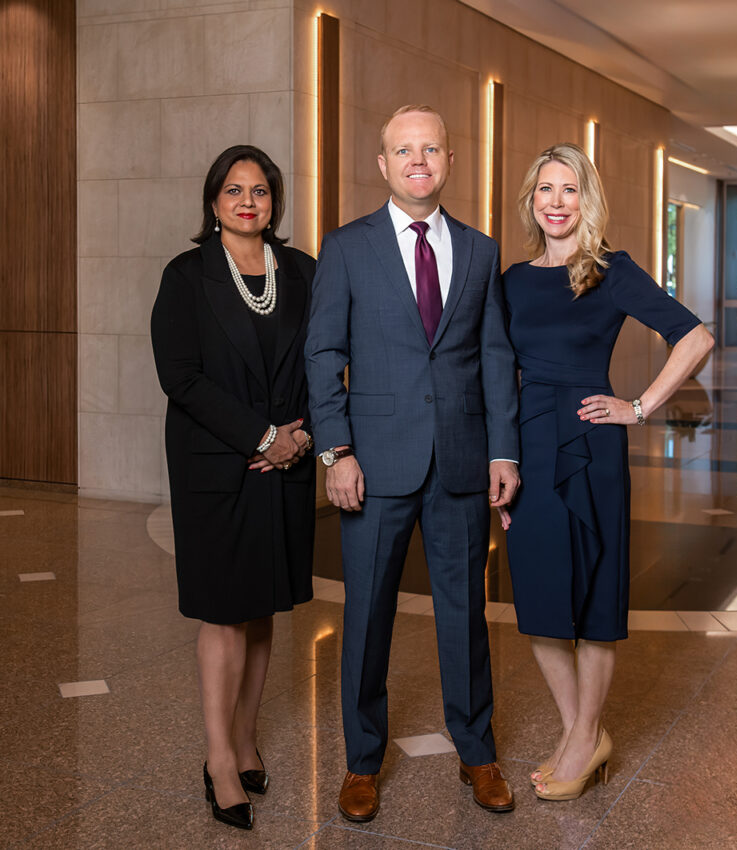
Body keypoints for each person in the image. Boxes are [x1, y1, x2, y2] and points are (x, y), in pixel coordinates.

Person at [305, 105, 521, 822]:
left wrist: (501, 449)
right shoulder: (346, 248)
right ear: (383, 164)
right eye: (404, 150)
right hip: (373, 466)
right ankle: (362, 762)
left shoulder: (482, 251)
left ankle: (477, 752)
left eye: (431, 148)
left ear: (450, 160)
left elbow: (494, 357)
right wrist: (336, 451)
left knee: (466, 616)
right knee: (365, 618)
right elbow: (324, 354)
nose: (418, 161)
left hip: (460, 464)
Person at [499, 143, 713, 801]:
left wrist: (641, 406)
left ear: (586, 200)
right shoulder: (511, 279)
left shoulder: (608, 270)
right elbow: (496, 374)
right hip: (529, 446)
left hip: (592, 447)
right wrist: (499, 459)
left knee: (592, 600)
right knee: (536, 604)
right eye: (545, 190)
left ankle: (582, 735)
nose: (556, 202)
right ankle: (582, 734)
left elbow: (696, 336)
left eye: (569, 190)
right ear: (531, 200)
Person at [150, 145, 316, 831]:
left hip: (289, 461)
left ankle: (246, 736)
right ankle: (221, 760)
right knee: (223, 613)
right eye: (233, 190)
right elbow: (181, 377)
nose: (248, 202)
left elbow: (324, 358)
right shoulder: (186, 276)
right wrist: (260, 437)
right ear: (213, 202)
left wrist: (301, 439)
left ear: (274, 200)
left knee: (262, 607)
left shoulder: (303, 271)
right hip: (218, 467)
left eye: (260, 191)